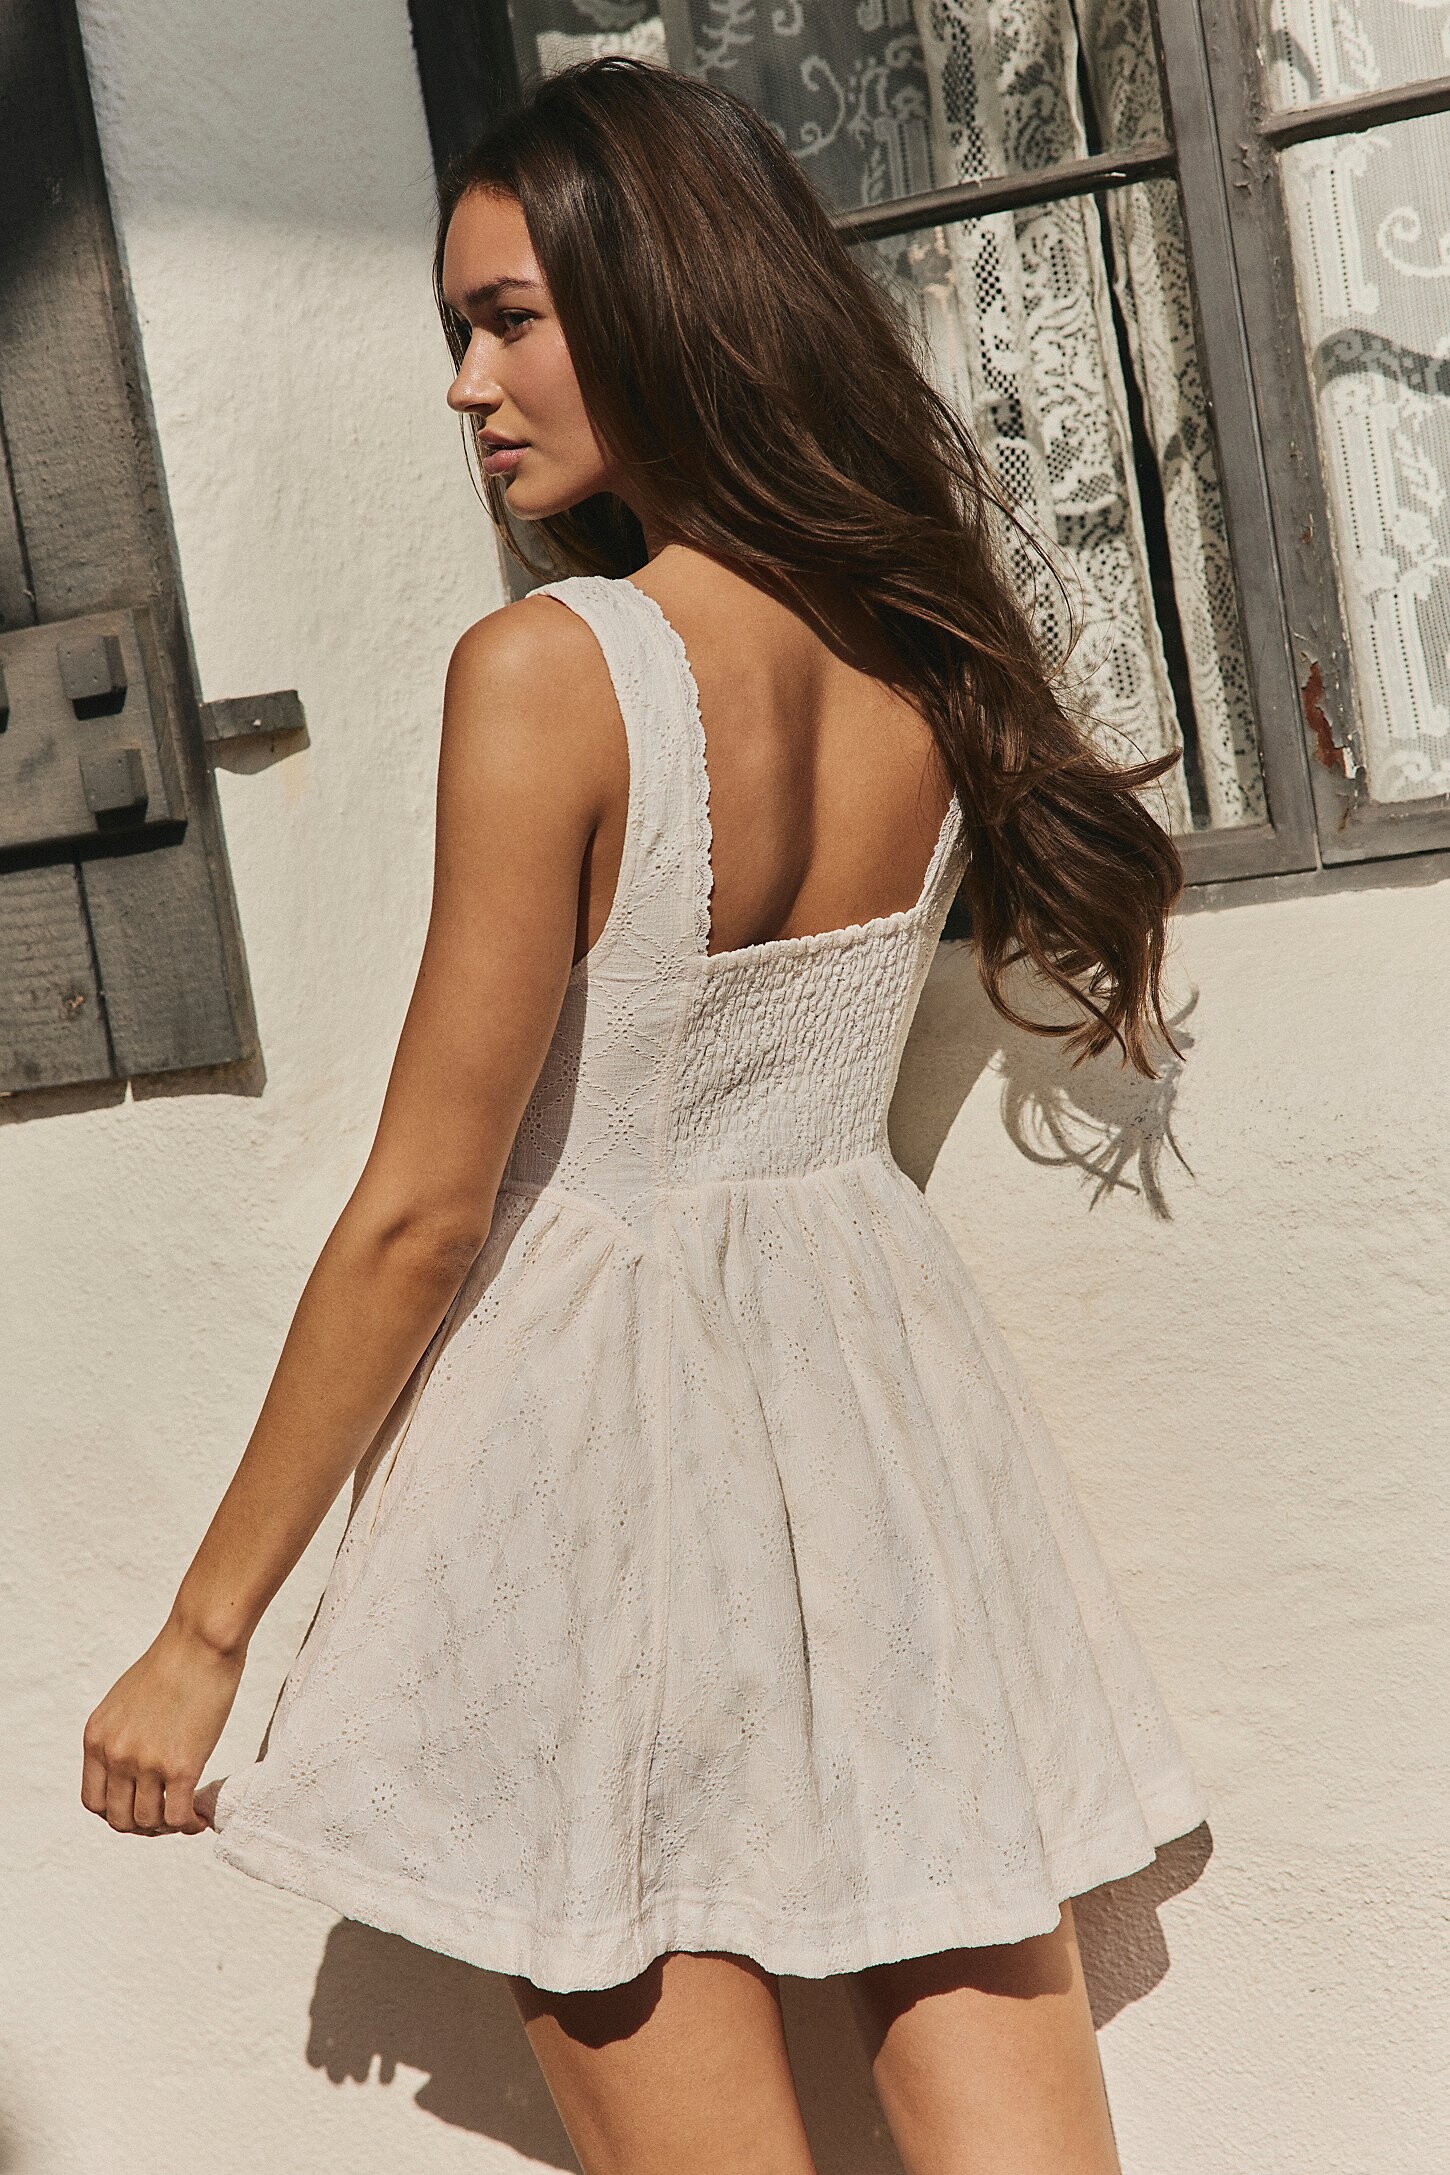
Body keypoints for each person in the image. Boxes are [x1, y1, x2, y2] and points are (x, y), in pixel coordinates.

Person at [82, 58, 1204, 2175]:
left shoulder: (555, 667)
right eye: (458, 329)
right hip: (877, 1424)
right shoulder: (916, 654)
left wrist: (203, 1634)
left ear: (660, 298)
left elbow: (427, 1211)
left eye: (507, 318)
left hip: (589, 1449)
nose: (467, 385)